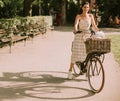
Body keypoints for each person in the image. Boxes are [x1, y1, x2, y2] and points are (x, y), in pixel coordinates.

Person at [68, 1, 100, 79]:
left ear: (89, 8)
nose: (86, 8)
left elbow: (94, 26)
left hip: (88, 36)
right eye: (85, 7)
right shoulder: (78, 16)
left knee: (88, 54)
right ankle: (70, 71)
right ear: (82, 8)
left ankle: (86, 70)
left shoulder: (91, 16)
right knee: (75, 54)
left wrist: (99, 31)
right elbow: (76, 25)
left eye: (87, 7)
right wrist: (75, 29)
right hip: (79, 35)